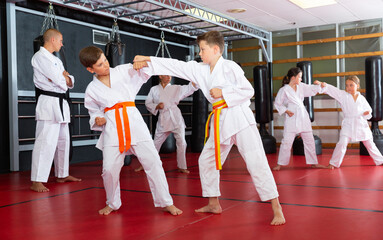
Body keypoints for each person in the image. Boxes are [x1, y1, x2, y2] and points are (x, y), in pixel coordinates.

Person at [133, 31, 285, 225]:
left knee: (256, 162)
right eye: (200, 49)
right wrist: (147, 60)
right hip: (219, 121)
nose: (200, 53)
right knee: (207, 160)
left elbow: (249, 90)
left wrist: (224, 92)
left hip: (239, 118)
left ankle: (276, 207)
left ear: (216, 49)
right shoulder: (200, 69)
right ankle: (214, 203)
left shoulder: (229, 67)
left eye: (203, 49)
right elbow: (176, 66)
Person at [79, 46, 182, 216]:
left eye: (105, 60)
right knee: (109, 169)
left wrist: (142, 63)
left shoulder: (123, 70)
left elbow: (147, 71)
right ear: (90, 69)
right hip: (112, 128)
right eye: (100, 64)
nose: (105, 65)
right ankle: (112, 202)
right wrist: (97, 118)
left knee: (153, 162)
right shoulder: (91, 89)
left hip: (134, 124)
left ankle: (166, 201)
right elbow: (93, 110)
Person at [30, 28, 81, 193]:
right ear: (52, 40)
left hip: (61, 103)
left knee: (63, 141)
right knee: (45, 142)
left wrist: (66, 79)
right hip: (48, 102)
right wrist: (64, 78)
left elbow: (71, 80)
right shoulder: (39, 57)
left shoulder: (55, 59)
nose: (62, 43)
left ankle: (62, 173)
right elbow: (60, 80)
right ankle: (37, 180)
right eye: (60, 40)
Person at [315, 76, 383, 169]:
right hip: (348, 124)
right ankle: (334, 163)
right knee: (342, 143)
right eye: (347, 85)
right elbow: (333, 90)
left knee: (370, 144)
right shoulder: (343, 95)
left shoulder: (361, 98)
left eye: (351, 85)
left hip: (361, 124)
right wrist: (323, 84)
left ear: (357, 86)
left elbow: (368, 109)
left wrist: (366, 113)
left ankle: (380, 161)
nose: (348, 87)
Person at [135, 75, 197, 173]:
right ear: (160, 76)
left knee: (182, 143)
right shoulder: (154, 89)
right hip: (163, 120)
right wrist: (156, 106)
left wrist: (196, 78)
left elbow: (189, 88)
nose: (169, 77)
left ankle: (182, 166)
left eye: (170, 76)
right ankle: (146, 165)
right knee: (155, 143)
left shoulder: (175, 88)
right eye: (166, 75)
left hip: (176, 118)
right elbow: (148, 103)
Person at [273, 67, 326, 171]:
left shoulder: (301, 87)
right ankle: (280, 163)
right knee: (287, 141)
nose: (301, 79)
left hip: (303, 116)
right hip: (291, 116)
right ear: (293, 77)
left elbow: (311, 88)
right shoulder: (284, 90)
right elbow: (277, 103)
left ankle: (314, 163)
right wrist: (286, 110)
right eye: (300, 77)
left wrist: (320, 86)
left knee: (309, 140)